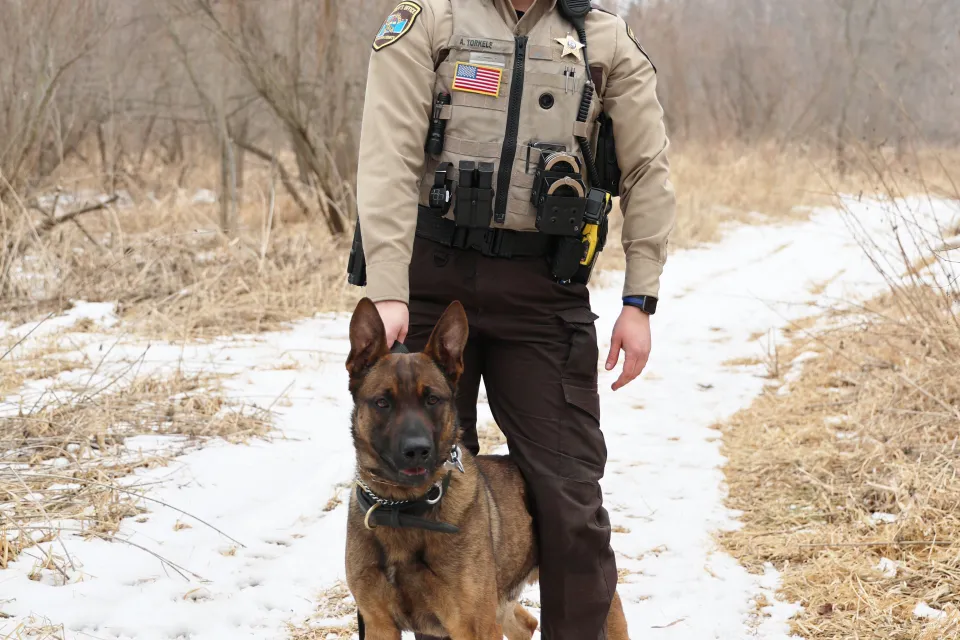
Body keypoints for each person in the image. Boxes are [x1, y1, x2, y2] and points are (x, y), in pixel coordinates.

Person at [354, 0, 675, 636]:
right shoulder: (433, 20)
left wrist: (639, 298)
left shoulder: (603, 38)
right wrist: (388, 288)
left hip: (543, 290)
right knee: (404, 483)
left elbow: (647, 167)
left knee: (569, 497)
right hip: (430, 280)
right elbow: (387, 153)